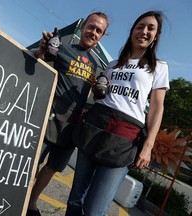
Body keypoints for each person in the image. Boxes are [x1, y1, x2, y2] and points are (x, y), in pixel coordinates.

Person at [65, 11, 170, 216]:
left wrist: (148, 146)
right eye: (140, 26)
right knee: (76, 198)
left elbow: (157, 108)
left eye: (150, 28)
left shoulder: (159, 67)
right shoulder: (113, 64)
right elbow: (101, 97)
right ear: (132, 31)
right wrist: (97, 90)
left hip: (125, 137)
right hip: (95, 126)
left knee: (95, 209)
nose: (144, 31)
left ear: (156, 36)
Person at [27, 12, 109, 216]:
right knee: (31, 162)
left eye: (99, 30)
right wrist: (40, 50)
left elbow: (98, 97)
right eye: (91, 26)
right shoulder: (62, 47)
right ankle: (18, 198)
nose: (93, 32)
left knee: (52, 168)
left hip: (73, 127)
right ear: (83, 27)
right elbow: (34, 58)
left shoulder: (99, 66)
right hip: (49, 117)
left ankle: (31, 204)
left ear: (102, 36)